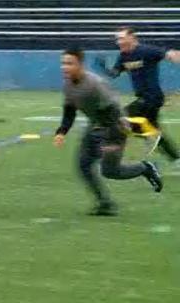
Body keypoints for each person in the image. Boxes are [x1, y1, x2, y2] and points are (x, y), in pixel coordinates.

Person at [55, 46, 164, 216]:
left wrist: (111, 140)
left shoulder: (94, 84)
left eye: (69, 63)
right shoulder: (68, 85)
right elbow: (69, 110)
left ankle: (146, 168)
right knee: (84, 165)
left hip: (115, 127)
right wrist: (62, 131)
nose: (64, 67)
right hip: (96, 125)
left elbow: (114, 112)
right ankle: (105, 204)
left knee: (110, 171)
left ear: (80, 64)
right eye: (63, 63)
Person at [94, 26, 180, 163]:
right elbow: (115, 73)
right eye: (117, 39)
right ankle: (175, 157)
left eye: (121, 38)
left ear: (132, 38)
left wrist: (173, 55)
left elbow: (168, 54)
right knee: (151, 130)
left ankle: (112, 157)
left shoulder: (146, 51)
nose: (118, 41)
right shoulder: (123, 56)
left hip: (152, 97)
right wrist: (104, 68)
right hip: (143, 98)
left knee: (122, 118)